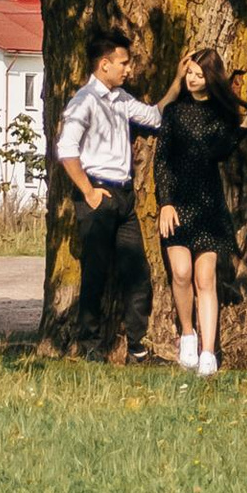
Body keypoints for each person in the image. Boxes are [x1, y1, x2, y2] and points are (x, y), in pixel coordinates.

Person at [56, 24, 163, 356]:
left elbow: (155, 117)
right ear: (104, 64)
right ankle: (91, 346)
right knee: (96, 273)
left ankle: (137, 345)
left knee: (137, 271)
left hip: (124, 195)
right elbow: (66, 150)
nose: (128, 70)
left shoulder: (120, 99)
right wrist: (88, 191)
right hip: (98, 194)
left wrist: (176, 83)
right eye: (123, 63)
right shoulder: (84, 101)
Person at [154, 50, 244, 374]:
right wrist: (165, 202)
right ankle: (187, 335)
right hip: (177, 204)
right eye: (189, 72)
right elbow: (162, 160)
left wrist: (243, 129)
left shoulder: (222, 115)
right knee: (181, 273)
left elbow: (216, 153)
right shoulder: (174, 112)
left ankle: (208, 352)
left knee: (206, 278)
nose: (192, 79)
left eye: (199, 74)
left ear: (211, 78)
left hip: (208, 205)